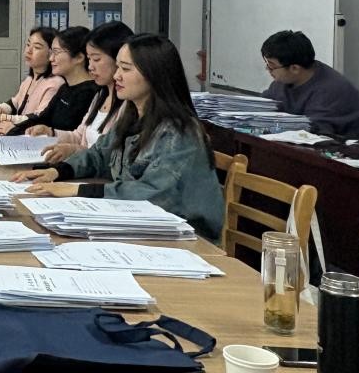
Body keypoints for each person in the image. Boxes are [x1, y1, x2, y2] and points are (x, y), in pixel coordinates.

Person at [13, 34, 225, 240]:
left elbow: (152, 193)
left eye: (126, 69)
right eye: (117, 67)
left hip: (187, 237)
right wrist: (57, 171)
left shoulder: (178, 132)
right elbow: (99, 155)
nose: (116, 76)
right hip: (140, 226)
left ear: (154, 74)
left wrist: (77, 189)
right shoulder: (132, 116)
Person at [261, 30, 359, 150]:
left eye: (272, 66)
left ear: (295, 68)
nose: (268, 69)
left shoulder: (331, 89)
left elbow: (315, 132)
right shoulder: (284, 81)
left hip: (355, 155)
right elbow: (264, 108)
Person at [34, 21, 135, 163]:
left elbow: (109, 158)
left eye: (96, 59)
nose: (90, 66)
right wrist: (51, 132)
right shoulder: (100, 95)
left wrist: (74, 150)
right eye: (89, 59)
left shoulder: (128, 105)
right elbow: (79, 136)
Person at [2, 26, 98, 136]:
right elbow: (43, 118)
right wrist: (14, 129)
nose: (51, 58)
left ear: (79, 58)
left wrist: (13, 128)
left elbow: (76, 137)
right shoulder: (65, 88)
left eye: (56, 52)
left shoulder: (92, 93)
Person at [0, 26, 62, 134]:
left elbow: (37, 118)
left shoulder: (55, 84)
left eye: (36, 47)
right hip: (19, 133)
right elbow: (14, 104)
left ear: (51, 53)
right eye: (28, 45)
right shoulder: (29, 79)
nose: (29, 51)